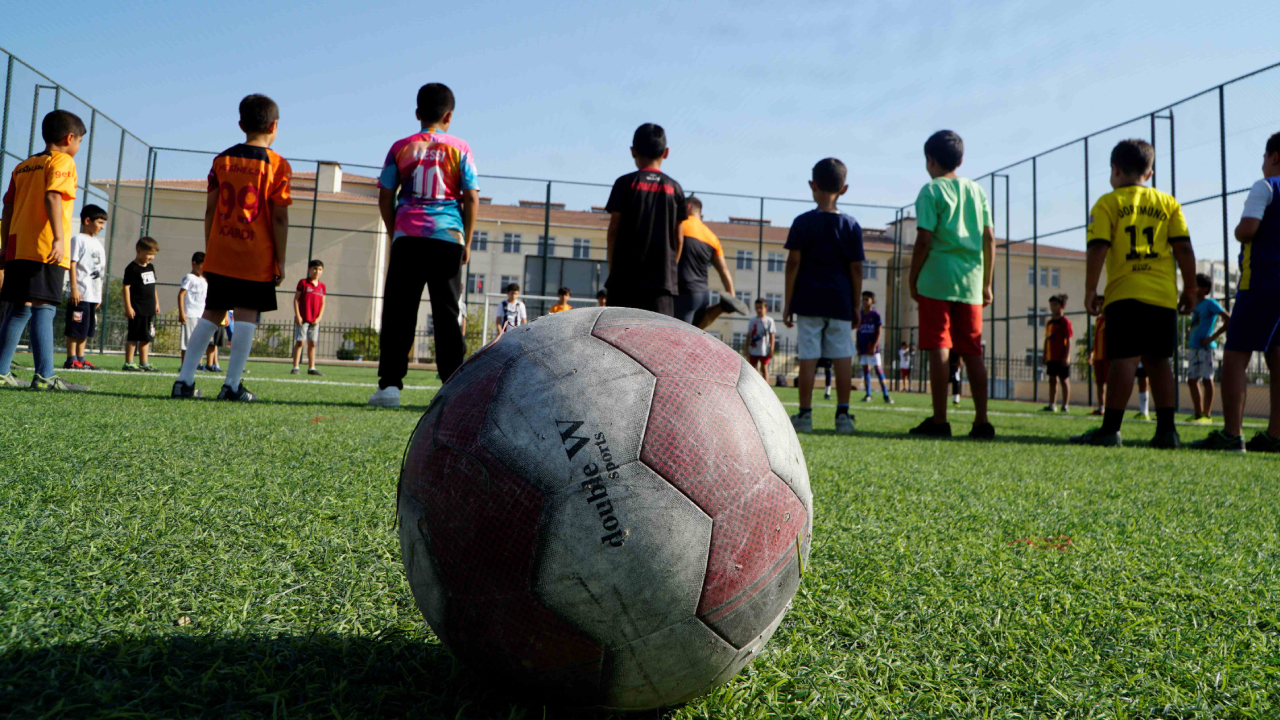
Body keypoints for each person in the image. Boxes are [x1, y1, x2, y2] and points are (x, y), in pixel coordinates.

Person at [1071, 138, 1197, 448]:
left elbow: (1098, 247)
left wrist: (1090, 289)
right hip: (1162, 295)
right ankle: (1168, 431)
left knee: (1123, 361)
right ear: (1150, 173)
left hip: (1124, 293)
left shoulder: (1106, 203)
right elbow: (1183, 247)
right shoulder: (1169, 204)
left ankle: (1110, 430)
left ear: (1114, 170)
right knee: (1159, 362)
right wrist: (1191, 287)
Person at [172, 94, 292, 401]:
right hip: (257, 254)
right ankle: (232, 385)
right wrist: (280, 259)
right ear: (275, 126)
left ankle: (183, 381)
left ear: (241, 124)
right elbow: (279, 218)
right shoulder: (278, 166)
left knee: (211, 313)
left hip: (222, 251)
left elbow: (210, 210)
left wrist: (211, 249)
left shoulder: (222, 160)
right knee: (246, 314)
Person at [368, 83, 478, 408]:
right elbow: (471, 196)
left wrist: (394, 231)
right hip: (447, 238)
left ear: (417, 114)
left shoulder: (401, 147)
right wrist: (467, 240)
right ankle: (454, 386)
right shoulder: (461, 148)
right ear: (449, 116)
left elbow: (385, 194)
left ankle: (389, 387)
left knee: (400, 311)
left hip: (408, 238)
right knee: (447, 312)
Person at [1192, 132, 1280, 452]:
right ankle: (1275, 435)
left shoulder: (1266, 186)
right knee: (1278, 358)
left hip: (1261, 282)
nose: (1261, 163)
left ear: (1274, 157)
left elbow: (1248, 229)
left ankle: (1232, 434)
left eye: (1262, 157)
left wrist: (1238, 230)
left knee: (1234, 358)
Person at [908, 130, 995, 438]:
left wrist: (912, 276)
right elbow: (989, 238)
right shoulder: (977, 191)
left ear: (930, 160)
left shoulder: (930, 191)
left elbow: (924, 239)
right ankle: (982, 421)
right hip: (971, 282)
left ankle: (940, 421)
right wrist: (986, 283)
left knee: (939, 347)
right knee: (972, 350)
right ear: (961, 159)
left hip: (936, 278)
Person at [0, 110, 90, 391]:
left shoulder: (24, 165)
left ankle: (1, 372)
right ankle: (45, 376)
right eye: (80, 142)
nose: (78, 148)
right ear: (70, 138)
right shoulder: (64, 160)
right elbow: (53, 195)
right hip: (44, 247)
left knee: (19, 309)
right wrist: (60, 240)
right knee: (45, 307)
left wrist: (5, 246)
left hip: (17, 246)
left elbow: (8, 207)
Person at [783, 157, 865, 435]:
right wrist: (856, 305)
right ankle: (843, 417)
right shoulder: (851, 225)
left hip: (808, 301)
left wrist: (788, 302)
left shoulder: (802, 222)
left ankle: (805, 416)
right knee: (842, 357)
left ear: (812, 185)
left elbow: (793, 263)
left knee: (808, 357)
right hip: (840, 302)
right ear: (845, 188)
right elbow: (856, 269)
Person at [604, 123, 688, 315]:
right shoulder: (674, 188)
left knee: (614, 340)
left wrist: (614, 269)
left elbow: (613, 232)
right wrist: (669, 271)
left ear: (633, 151)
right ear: (666, 152)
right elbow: (679, 238)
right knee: (657, 341)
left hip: (624, 281)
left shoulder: (624, 184)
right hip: (662, 286)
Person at [674, 196, 748, 327]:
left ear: (687, 207)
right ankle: (721, 307)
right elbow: (724, 270)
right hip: (703, 295)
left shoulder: (679, 225)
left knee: (679, 336)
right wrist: (731, 296)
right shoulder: (712, 237)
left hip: (684, 293)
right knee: (696, 329)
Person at [63, 203, 108, 371]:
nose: (102, 227)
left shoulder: (97, 244)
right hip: (80, 293)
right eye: (100, 223)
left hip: (92, 295)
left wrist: (99, 295)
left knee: (86, 329)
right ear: (87, 220)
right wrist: (74, 288)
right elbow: (72, 264)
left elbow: (100, 272)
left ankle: (81, 359)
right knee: (75, 328)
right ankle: (71, 359)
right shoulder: (78, 240)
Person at [1183, 273, 1228, 423]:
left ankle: (1206, 415)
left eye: (1197, 286)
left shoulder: (1211, 303)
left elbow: (1227, 318)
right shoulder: (1195, 304)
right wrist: (1189, 330)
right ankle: (1198, 413)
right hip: (1194, 347)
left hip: (1206, 348)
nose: (1194, 289)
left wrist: (1212, 337)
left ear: (1205, 288)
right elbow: (1195, 320)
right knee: (1192, 380)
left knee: (1207, 380)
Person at [122, 237, 161, 373]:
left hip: (149, 308)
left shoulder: (150, 267)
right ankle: (129, 362)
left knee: (146, 337)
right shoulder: (132, 268)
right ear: (139, 251)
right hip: (136, 308)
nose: (151, 258)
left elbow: (153, 286)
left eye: (153, 255)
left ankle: (144, 363)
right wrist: (128, 307)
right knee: (133, 336)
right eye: (149, 254)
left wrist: (156, 302)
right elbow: (126, 287)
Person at [291, 259, 326, 376]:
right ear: (309, 269)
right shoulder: (303, 283)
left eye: (320, 269)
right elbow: (296, 299)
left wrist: (319, 318)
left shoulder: (322, 286)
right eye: (315, 268)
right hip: (303, 319)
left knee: (312, 344)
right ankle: (295, 367)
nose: (317, 271)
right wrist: (298, 315)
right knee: (300, 342)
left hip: (315, 320)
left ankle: (312, 368)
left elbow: (323, 303)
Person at [857, 290, 892, 404]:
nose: (864, 302)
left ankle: (886, 395)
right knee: (865, 370)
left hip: (872, 348)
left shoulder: (875, 315)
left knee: (878, 370)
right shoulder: (860, 315)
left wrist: (874, 346)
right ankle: (868, 395)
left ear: (872, 301)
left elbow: (878, 332)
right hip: (863, 348)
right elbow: (858, 331)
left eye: (867, 299)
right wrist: (857, 346)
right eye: (863, 299)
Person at [1041, 294, 1073, 412]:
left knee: (1064, 380)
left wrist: (1066, 357)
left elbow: (1068, 340)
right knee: (1052, 380)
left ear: (1062, 306)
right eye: (1051, 305)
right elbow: (1047, 339)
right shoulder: (1049, 322)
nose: (1053, 308)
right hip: (1051, 357)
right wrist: (1045, 355)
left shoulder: (1065, 322)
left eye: (1055, 305)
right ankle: (1052, 404)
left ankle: (1065, 405)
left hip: (1062, 357)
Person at [178, 251, 208, 366]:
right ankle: (184, 365)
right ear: (194, 264)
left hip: (201, 315)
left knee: (199, 342)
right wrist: (182, 312)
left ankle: (198, 365)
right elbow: (181, 294)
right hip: (190, 314)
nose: (203, 269)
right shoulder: (189, 277)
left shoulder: (204, 279)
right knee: (187, 342)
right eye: (202, 265)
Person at [745, 298, 775, 380]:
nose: (759, 309)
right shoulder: (752, 321)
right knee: (752, 369)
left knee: (764, 368)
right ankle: (753, 385)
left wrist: (771, 349)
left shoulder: (769, 321)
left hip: (764, 350)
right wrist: (746, 348)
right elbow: (749, 335)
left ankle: (766, 389)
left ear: (766, 308)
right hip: (753, 349)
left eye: (761, 307)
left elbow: (772, 336)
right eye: (757, 307)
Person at [1089, 294, 1107, 415]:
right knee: (1099, 383)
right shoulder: (1098, 320)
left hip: (1108, 357)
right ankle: (1101, 407)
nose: (1100, 307)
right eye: (1099, 304)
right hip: (1098, 357)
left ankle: (1111, 408)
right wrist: (1091, 353)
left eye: (1102, 304)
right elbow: (1095, 338)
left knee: (1110, 384)